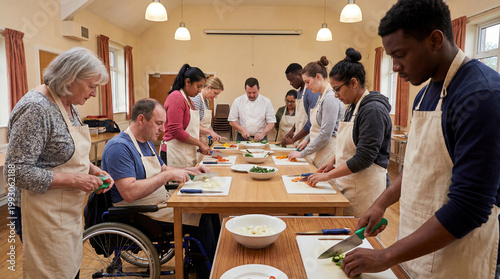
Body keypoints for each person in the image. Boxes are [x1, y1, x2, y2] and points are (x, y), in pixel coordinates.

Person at [338, 1, 500, 278]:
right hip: (415, 244)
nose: (397, 67)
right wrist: (381, 202)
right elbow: (417, 166)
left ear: (435, 40)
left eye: (400, 55)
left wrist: (385, 255)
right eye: (391, 58)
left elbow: (469, 208)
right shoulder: (426, 93)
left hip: (457, 256)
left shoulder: (481, 97)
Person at [3, 47, 113, 279]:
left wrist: (94, 170)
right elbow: (15, 171)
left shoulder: (68, 104)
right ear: (71, 79)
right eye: (92, 86)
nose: (94, 94)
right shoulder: (36, 108)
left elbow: (67, 154)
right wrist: (75, 180)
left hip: (64, 209)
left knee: (68, 269)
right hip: (39, 210)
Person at [101, 98, 220, 279]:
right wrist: (166, 176)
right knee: (201, 219)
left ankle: (213, 262)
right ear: (141, 120)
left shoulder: (147, 142)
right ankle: (209, 273)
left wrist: (191, 169)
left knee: (209, 210)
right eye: (158, 123)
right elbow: (130, 192)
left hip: (157, 202)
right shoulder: (119, 148)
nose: (163, 129)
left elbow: (163, 169)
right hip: (138, 212)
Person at [307, 48, 392, 218]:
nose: (336, 95)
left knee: (360, 238)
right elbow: (350, 145)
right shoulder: (353, 106)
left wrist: (328, 176)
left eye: (337, 89)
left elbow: (364, 158)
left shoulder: (372, 110)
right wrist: (333, 160)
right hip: (351, 182)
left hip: (365, 187)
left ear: (353, 83)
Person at [287, 57, 344, 169]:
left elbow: (325, 133)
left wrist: (302, 153)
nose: (307, 86)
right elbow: (318, 126)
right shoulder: (320, 96)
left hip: (329, 151)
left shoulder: (330, 99)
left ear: (318, 77)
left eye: (308, 82)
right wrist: (306, 139)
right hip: (320, 150)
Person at [161, 64, 210, 167]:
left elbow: (194, 128)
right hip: (175, 153)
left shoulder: (189, 101)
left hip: (185, 152)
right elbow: (176, 131)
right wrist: (200, 143)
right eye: (198, 86)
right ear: (187, 82)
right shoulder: (176, 98)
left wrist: (202, 142)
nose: (200, 90)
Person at [280, 63, 319, 146]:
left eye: (292, 80)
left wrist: (294, 139)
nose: (290, 83)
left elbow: (311, 121)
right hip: (300, 140)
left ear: (300, 75)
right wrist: (292, 130)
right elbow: (300, 118)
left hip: (308, 141)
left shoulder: (310, 92)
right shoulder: (299, 93)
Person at [190, 76, 226, 143]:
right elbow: (193, 124)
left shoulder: (206, 101)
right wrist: (210, 132)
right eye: (215, 93)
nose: (215, 97)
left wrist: (214, 134)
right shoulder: (197, 99)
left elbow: (206, 124)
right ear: (208, 87)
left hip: (203, 140)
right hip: (195, 141)